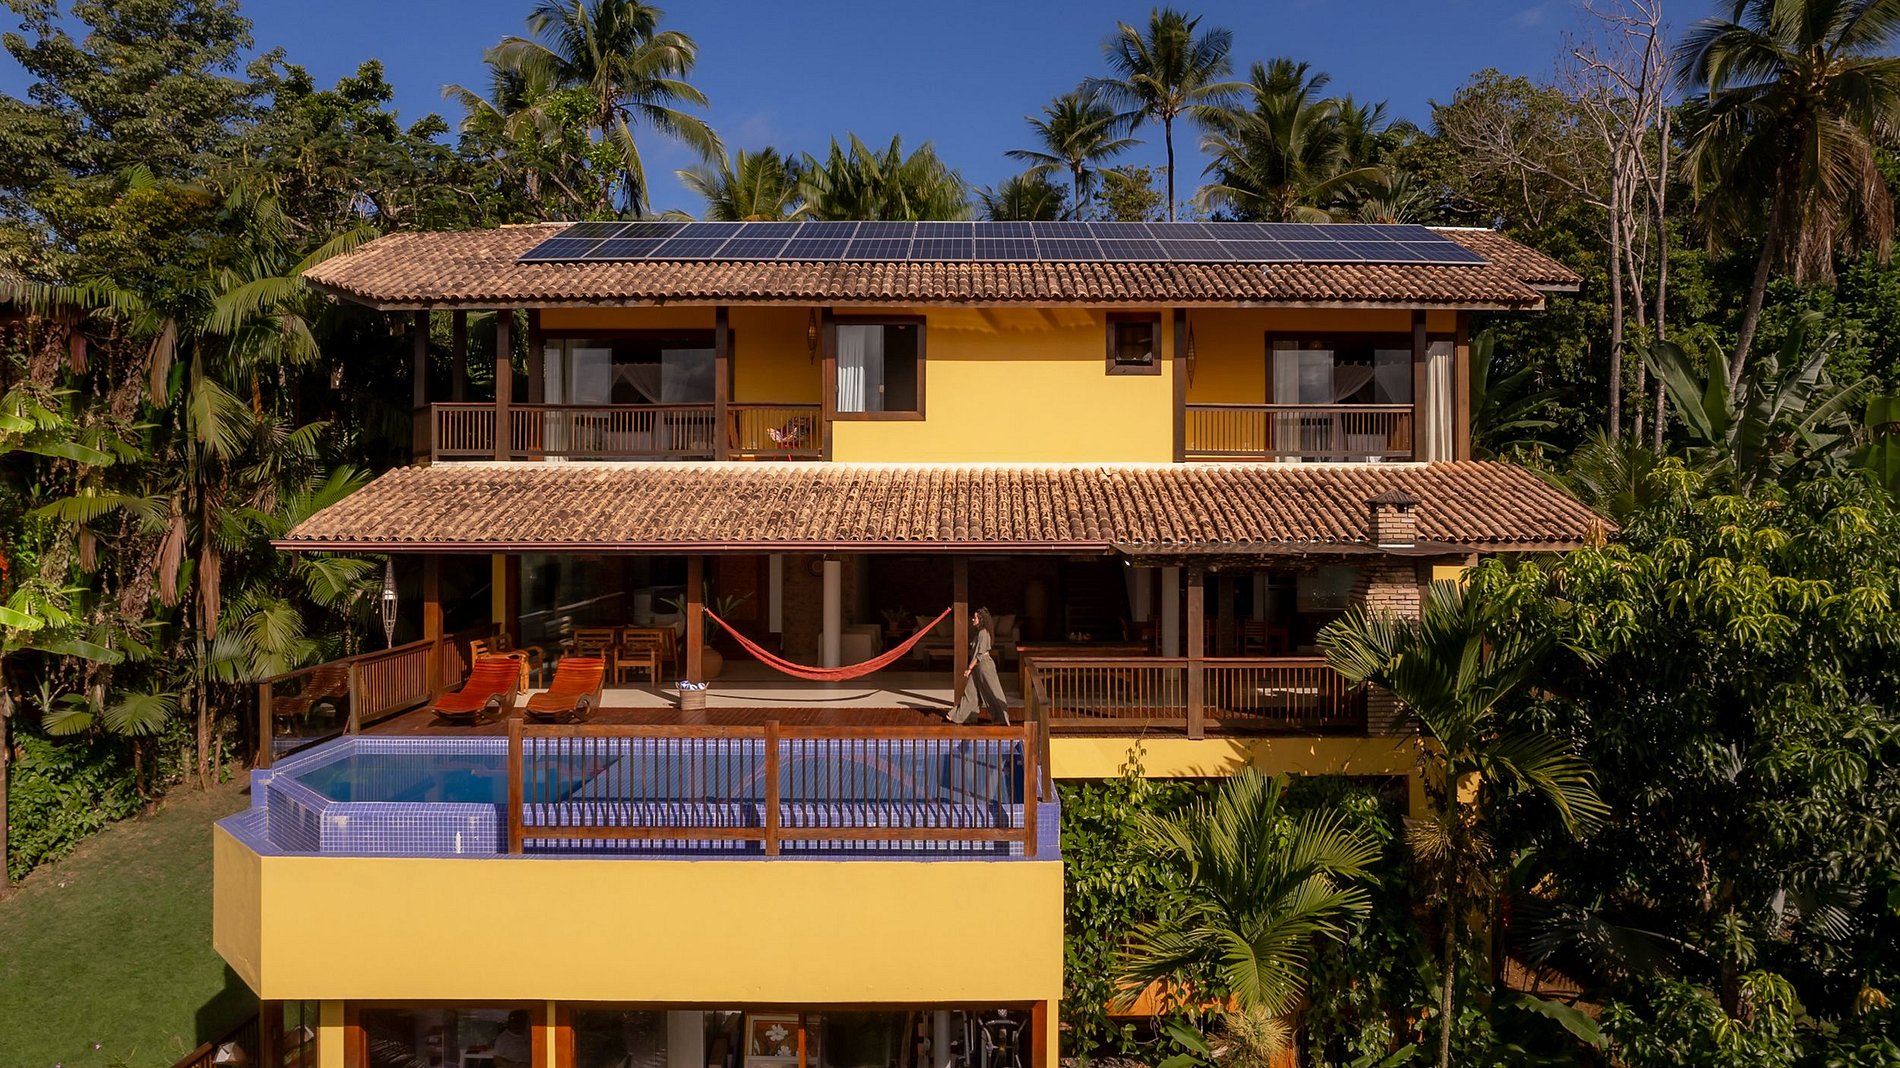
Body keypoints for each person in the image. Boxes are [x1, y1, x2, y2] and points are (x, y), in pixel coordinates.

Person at [949, 608, 1011, 725]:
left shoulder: (984, 633)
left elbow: (980, 654)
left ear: (981, 619)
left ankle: (1002, 718)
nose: (973, 619)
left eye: (975, 618)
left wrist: (969, 668)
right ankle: (959, 716)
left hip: (984, 666)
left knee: (993, 691)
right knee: (971, 692)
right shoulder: (979, 632)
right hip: (977, 667)